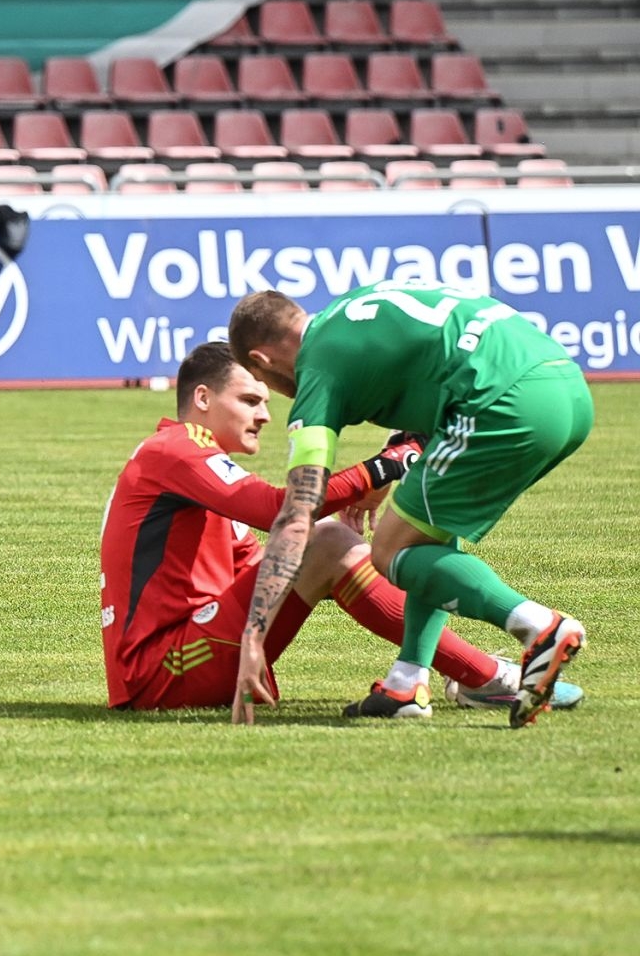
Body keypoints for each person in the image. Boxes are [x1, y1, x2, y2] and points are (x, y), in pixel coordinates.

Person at [102, 342, 580, 713]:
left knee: (328, 539)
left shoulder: (184, 458)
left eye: (265, 402)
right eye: (249, 400)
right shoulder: (177, 450)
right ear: (203, 398)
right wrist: (386, 466)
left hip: (184, 651)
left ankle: (471, 674)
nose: (265, 415)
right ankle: (485, 675)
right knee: (328, 538)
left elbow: (260, 562)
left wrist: (334, 552)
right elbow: (277, 509)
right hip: (163, 669)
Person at [227, 284, 591, 727]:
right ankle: (407, 683)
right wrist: (392, 458)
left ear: (262, 360)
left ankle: (539, 626)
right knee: (422, 532)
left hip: (505, 402)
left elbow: (298, 513)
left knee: (389, 551)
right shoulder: (351, 309)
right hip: (567, 388)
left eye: (264, 382)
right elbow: (434, 365)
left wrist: (254, 635)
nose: (276, 394)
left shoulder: (317, 366)